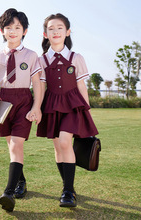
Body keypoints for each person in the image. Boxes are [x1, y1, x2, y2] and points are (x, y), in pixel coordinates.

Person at [36, 13, 99, 208]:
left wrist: (86, 110)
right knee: (58, 146)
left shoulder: (76, 57)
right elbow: (41, 88)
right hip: (51, 106)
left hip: (73, 105)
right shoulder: (41, 61)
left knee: (65, 142)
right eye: (51, 28)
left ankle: (68, 192)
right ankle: (68, 187)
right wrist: (37, 109)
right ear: (45, 34)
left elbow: (81, 85)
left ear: (68, 32)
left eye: (60, 28)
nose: (55, 31)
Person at [0, 8, 42, 212]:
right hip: (4, 100)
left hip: (24, 100)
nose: (13, 31)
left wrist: (36, 107)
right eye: (9, 27)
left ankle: (8, 192)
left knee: (17, 143)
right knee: (12, 146)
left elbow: (37, 83)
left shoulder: (32, 55)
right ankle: (21, 182)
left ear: (24, 31)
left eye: (17, 27)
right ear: (2, 30)